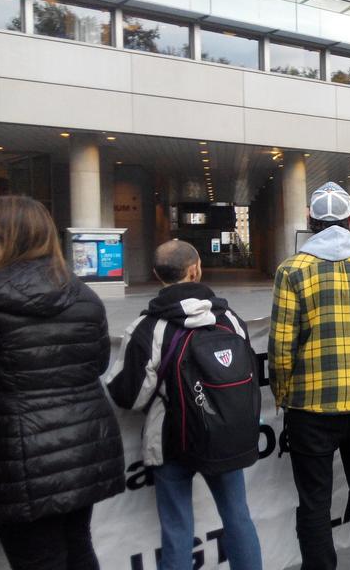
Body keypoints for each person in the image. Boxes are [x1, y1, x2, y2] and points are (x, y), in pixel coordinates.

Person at [0, 196, 125, 569]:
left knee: (36, 558)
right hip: (83, 448)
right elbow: (98, 363)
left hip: (17, 456)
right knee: (77, 546)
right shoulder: (84, 295)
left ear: (10, 240)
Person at [105, 240, 262, 570]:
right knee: (238, 517)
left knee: (177, 530)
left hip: (171, 440)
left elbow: (129, 397)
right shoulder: (229, 319)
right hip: (226, 436)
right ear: (197, 269)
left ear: (156, 275)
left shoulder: (147, 328)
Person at [269, 182, 350, 570]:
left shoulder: (291, 271)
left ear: (310, 221)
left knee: (314, 500)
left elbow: (280, 350)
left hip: (309, 408)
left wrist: (282, 396)